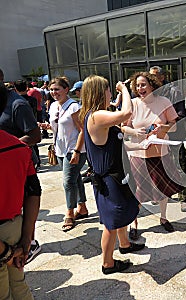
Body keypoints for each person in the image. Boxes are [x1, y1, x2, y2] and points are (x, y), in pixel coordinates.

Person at [79, 75, 144, 275]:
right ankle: (108, 263)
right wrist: (124, 89)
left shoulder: (99, 116)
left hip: (116, 176)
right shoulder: (96, 116)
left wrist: (141, 138)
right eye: (108, 90)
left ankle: (124, 244)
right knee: (111, 223)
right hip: (109, 180)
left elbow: (119, 132)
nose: (110, 94)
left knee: (120, 215)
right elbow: (126, 112)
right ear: (101, 92)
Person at [122, 72, 183, 232]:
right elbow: (122, 127)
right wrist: (135, 133)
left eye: (143, 84)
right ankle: (133, 224)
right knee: (136, 192)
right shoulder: (132, 104)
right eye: (137, 85)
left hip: (161, 153)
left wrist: (163, 128)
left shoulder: (164, 102)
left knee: (163, 189)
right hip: (138, 155)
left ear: (152, 85)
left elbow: (175, 126)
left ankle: (164, 218)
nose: (139, 88)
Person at [0, 81, 41, 299]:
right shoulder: (18, 147)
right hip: (15, 228)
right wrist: (26, 239)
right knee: (18, 285)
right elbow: (34, 191)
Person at [42, 77, 88, 232]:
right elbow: (59, 126)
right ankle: (82, 207)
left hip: (74, 150)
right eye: (52, 89)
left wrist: (76, 150)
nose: (54, 93)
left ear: (66, 89)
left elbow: (83, 130)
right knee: (75, 178)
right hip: (60, 149)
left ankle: (69, 213)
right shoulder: (54, 105)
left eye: (57, 89)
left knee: (68, 182)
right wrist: (48, 126)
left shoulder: (74, 107)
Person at [149, 66, 186, 212]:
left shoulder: (174, 91)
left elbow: (181, 114)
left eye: (153, 76)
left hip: (174, 136)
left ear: (162, 77)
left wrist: (165, 124)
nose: (151, 79)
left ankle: (184, 198)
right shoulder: (151, 93)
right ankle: (161, 195)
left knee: (179, 166)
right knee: (159, 168)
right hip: (157, 137)